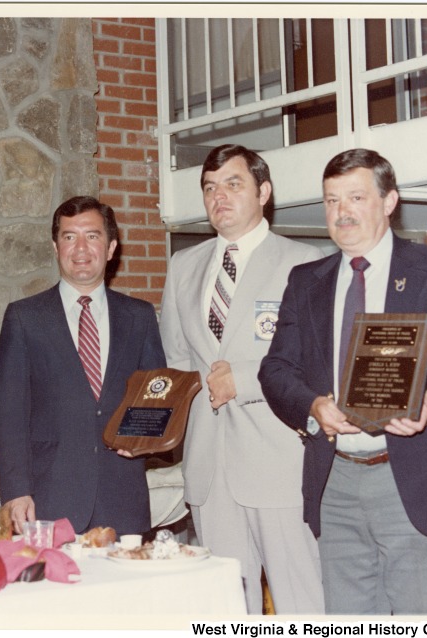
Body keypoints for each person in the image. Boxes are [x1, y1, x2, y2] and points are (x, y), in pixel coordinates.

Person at [259, 148, 427, 614]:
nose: (342, 212)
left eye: (356, 197)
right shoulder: (306, 281)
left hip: (412, 479)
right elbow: (275, 369)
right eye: (331, 200)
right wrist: (312, 406)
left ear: (389, 201)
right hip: (335, 481)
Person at [159, 144, 325, 614]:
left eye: (233, 184)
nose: (220, 197)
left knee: (301, 600)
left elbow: (317, 361)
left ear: (264, 192)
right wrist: (152, 424)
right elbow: (178, 363)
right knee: (228, 606)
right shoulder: (184, 267)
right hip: (209, 469)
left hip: (279, 465)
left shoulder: (305, 261)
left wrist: (246, 380)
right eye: (210, 188)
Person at [0, 196, 166, 536]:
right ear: (55, 247)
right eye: (69, 237)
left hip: (123, 498)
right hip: (48, 500)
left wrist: (145, 439)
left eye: (93, 236)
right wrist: (15, 491)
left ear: (112, 246)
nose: (81, 248)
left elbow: (156, 397)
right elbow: (8, 413)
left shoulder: (140, 317)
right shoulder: (25, 318)